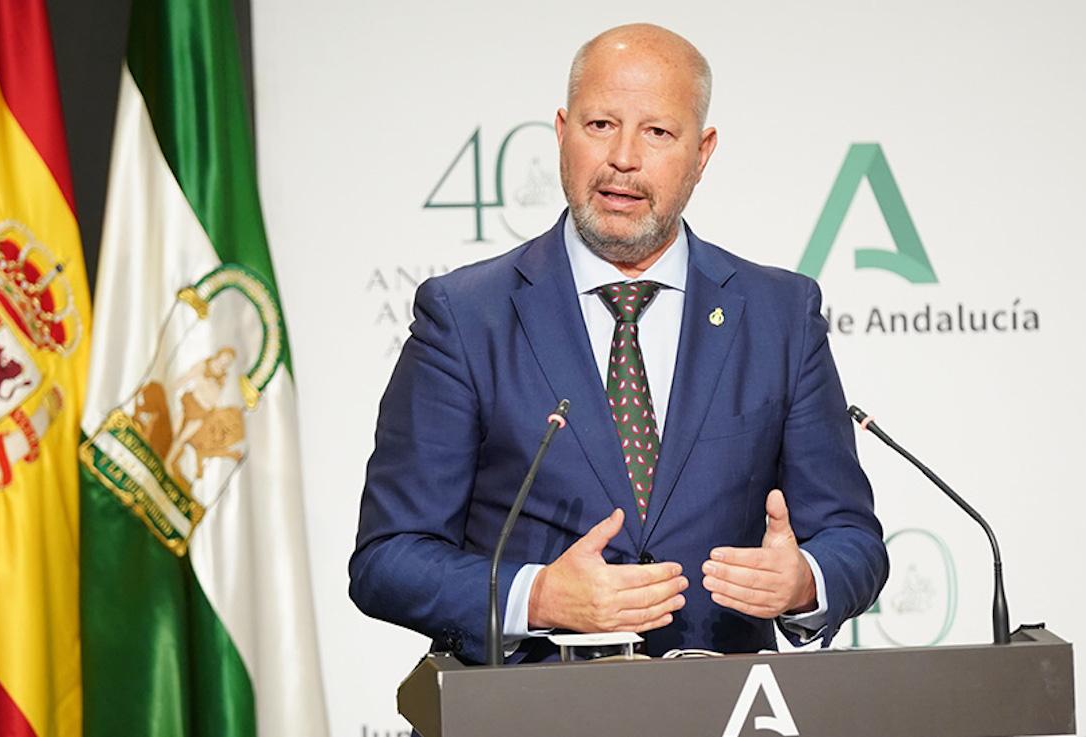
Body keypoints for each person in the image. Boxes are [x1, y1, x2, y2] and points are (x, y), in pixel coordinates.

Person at [349, 23, 887, 663]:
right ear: (561, 132)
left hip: (721, 710)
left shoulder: (780, 316)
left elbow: (850, 537)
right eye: (601, 125)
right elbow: (388, 559)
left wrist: (804, 582)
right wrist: (539, 595)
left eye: (658, 132)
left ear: (702, 152)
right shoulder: (465, 317)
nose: (623, 158)